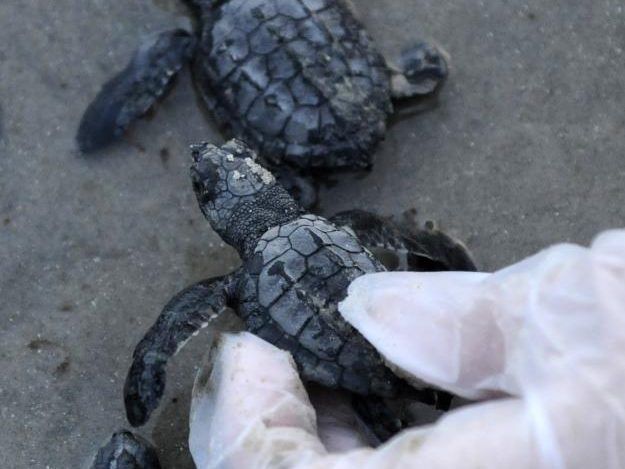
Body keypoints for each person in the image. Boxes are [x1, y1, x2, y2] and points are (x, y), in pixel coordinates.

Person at [188, 229, 625, 469]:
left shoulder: (236, 284)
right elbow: (386, 232)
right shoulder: (332, 222)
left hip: (335, 363)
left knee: (351, 409)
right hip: (385, 332)